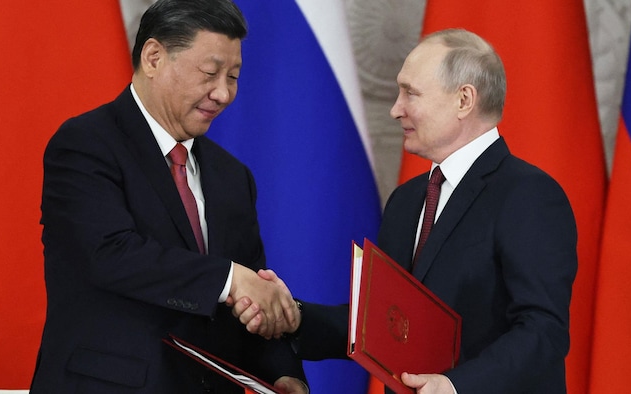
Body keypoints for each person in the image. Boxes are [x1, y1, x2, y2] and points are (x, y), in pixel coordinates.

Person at [234, 28, 577, 394]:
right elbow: (385, 326)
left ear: (464, 100)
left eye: (410, 93)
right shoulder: (407, 200)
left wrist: (455, 387)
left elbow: (543, 330)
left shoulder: (529, 194)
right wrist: (293, 317)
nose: (395, 109)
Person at [30, 0, 308, 392]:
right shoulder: (84, 144)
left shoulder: (232, 176)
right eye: (210, 73)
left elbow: (248, 296)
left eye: (233, 76)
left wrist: (282, 372)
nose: (224, 93)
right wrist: (230, 280)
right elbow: (109, 254)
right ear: (154, 57)